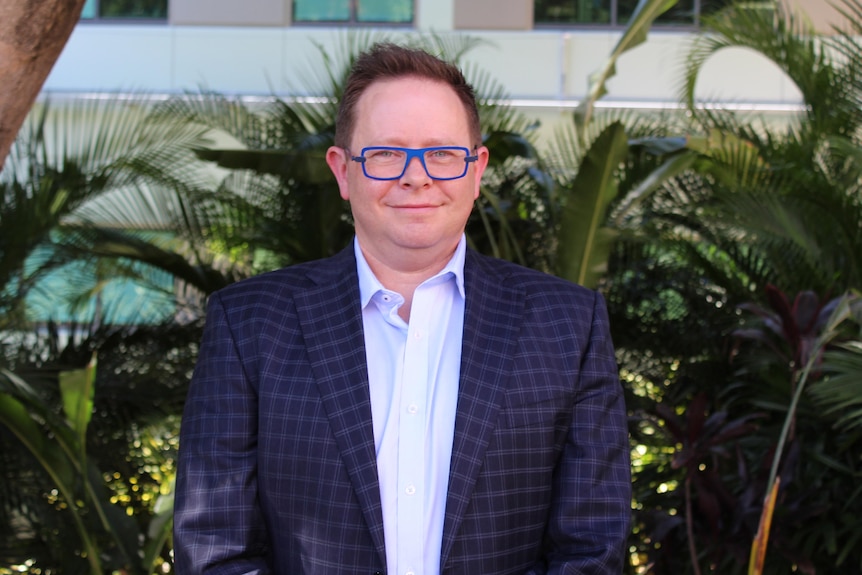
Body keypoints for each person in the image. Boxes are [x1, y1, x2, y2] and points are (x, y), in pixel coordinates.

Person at [173, 42, 631, 575]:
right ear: (343, 172)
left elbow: (592, 546)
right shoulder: (249, 325)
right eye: (387, 153)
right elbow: (213, 547)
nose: (417, 176)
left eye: (442, 153)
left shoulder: (568, 325)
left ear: (477, 170)